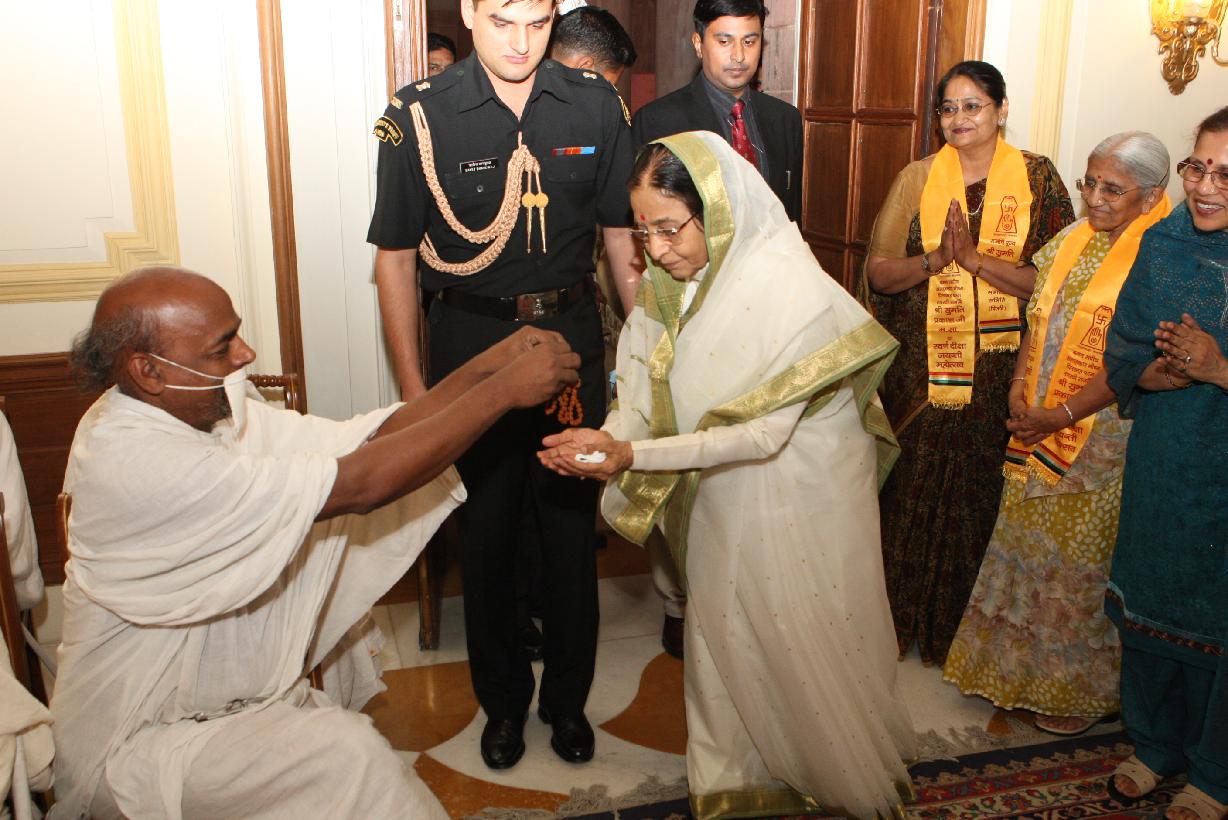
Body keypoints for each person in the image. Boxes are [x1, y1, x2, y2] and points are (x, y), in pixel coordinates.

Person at [47, 266, 579, 819]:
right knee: (350, 754)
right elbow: (359, 485)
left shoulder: (194, 411)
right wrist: (501, 393)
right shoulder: (133, 461)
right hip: (140, 738)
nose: (246, 355)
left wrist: (489, 364)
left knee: (344, 751)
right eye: (222, 347)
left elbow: (367, 441)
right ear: (148, 371)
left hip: (222, 706)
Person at [539, 132, 916, 820]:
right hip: (716, 486)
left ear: (715, 211)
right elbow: (640, 393)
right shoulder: (665, 290)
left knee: (793, 628)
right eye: (642, 231)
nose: (655, 250)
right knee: (721, 628)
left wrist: (632, 458)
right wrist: (609, 438)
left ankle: (819, 763)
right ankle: (734, 777)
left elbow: (761, 435)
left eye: (669, 228)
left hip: (800, 492)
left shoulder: (790, 290)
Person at [367, 0, 637, 769]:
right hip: (471, 345)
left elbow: (620, 236)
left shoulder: (595, 105)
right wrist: (417, 394)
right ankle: (505, 706)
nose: (520, 43)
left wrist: (649, 347)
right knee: (486, 537)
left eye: (538, 22)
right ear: (469, 12)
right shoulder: (417, 118)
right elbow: (395, 260)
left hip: (568, 342)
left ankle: (567, 704)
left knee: (569, 534)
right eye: (501, 21)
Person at [942, 132, 1171, 736]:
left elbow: (1136, 362)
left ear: (1152, 197)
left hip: (1100, 434)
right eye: (1089, 183)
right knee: (1027, 553)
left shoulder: (1161, 257)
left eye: (1112, 189)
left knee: (1076, 568)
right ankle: (1015, 674)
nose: (1094, 198)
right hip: (1039, 419)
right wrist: (1020, 387)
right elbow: (1039, 311)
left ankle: (1075, 693)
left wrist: (1062, 414)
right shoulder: (1074, 237)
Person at [863, 60, 1074, 666]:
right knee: (909, 488)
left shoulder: (1038, 179)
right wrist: (936, 261)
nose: (959, 119)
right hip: (922, 366)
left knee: (978, 494)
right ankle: (895, 621)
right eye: (948, 108)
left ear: (1001, 109)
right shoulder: (918, 177)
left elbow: (1054, 283)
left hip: (1001, 369)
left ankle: (960, 633)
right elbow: (879, 273)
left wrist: (977, 261)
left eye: (973, 105)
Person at [1102, 106, 1228, 820]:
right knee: (1151, 598)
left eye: (1227, 175)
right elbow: (1125, 347)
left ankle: (1216, 772)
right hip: (1165, 457)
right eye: (1197, 168)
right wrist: (1153, 373)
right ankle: (1154, 746)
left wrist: (1218, 369)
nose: (1205, 187)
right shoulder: (1163, 241)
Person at [631, 0, 803, 222]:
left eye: (749, 42)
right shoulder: (658, 121)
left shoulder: (785, 120)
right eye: (724, 41)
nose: (739, 56)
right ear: (698, 44)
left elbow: (791, 218)